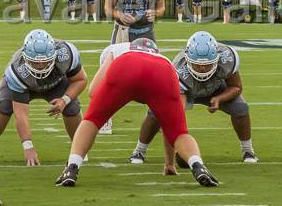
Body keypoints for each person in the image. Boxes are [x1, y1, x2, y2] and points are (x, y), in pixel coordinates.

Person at [54, 39, 219, 188]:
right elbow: (167, 128)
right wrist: (169, 163)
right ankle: (198, 165)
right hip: (163, 72)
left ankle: (72, 167)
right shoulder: (163, 59)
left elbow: (94, 91)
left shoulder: (117, 50)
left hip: (126, 66)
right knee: (178, 132)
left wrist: (118, 98)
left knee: (92, 120)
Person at [132, 31, 257, 164]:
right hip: (185, 90)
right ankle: (139, 150)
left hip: (215, 88)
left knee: (241, 108)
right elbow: (177, 113)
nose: (202, 68)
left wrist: (219, 98)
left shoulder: (227, 58)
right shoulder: (178, 71)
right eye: (198, 64)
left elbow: (236, 87)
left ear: (216, 58)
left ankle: (248, 150)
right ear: (187, 59)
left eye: (207, 64)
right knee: (155, 113)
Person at [0, 29, 87, 166]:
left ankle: (79, 150)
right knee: (4, 105)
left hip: (56, 83)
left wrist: (64, 100)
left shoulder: (66, 54)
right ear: (25, 57)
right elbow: (21, 115)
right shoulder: (17, 70)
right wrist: (28, 147)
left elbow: (81, 80)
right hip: (25, 84)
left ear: (54, 55)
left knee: (71, 107)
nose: (40, 67)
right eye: (35, 62)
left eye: (45, 62)